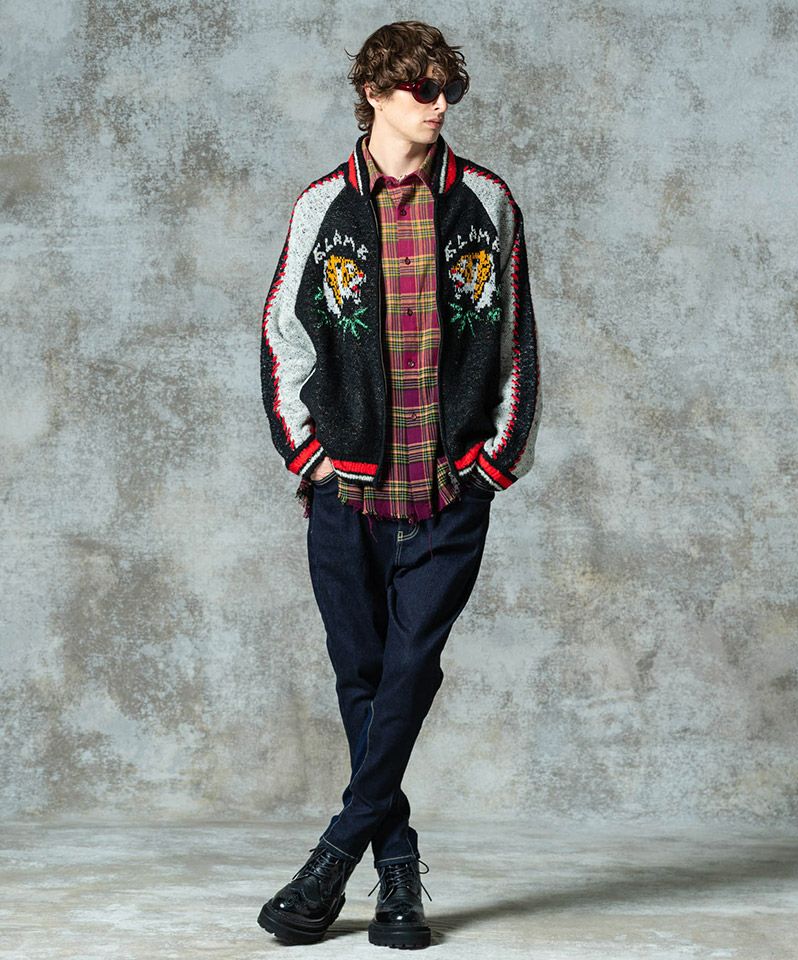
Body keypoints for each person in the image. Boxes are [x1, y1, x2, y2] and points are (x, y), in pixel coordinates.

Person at [257, 19, 541, 950]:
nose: (439, 103)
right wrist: (309, 457)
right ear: (374, 93)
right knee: (362, 678)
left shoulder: (486, 201)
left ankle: (334, 855)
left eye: (448, 87)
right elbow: (283, 336)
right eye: (421, 88)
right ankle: (399, 871)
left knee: (410, 672)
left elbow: (516, 341)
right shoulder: (322, 205)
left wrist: (492, 464)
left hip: (449, 493)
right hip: (347, 497)